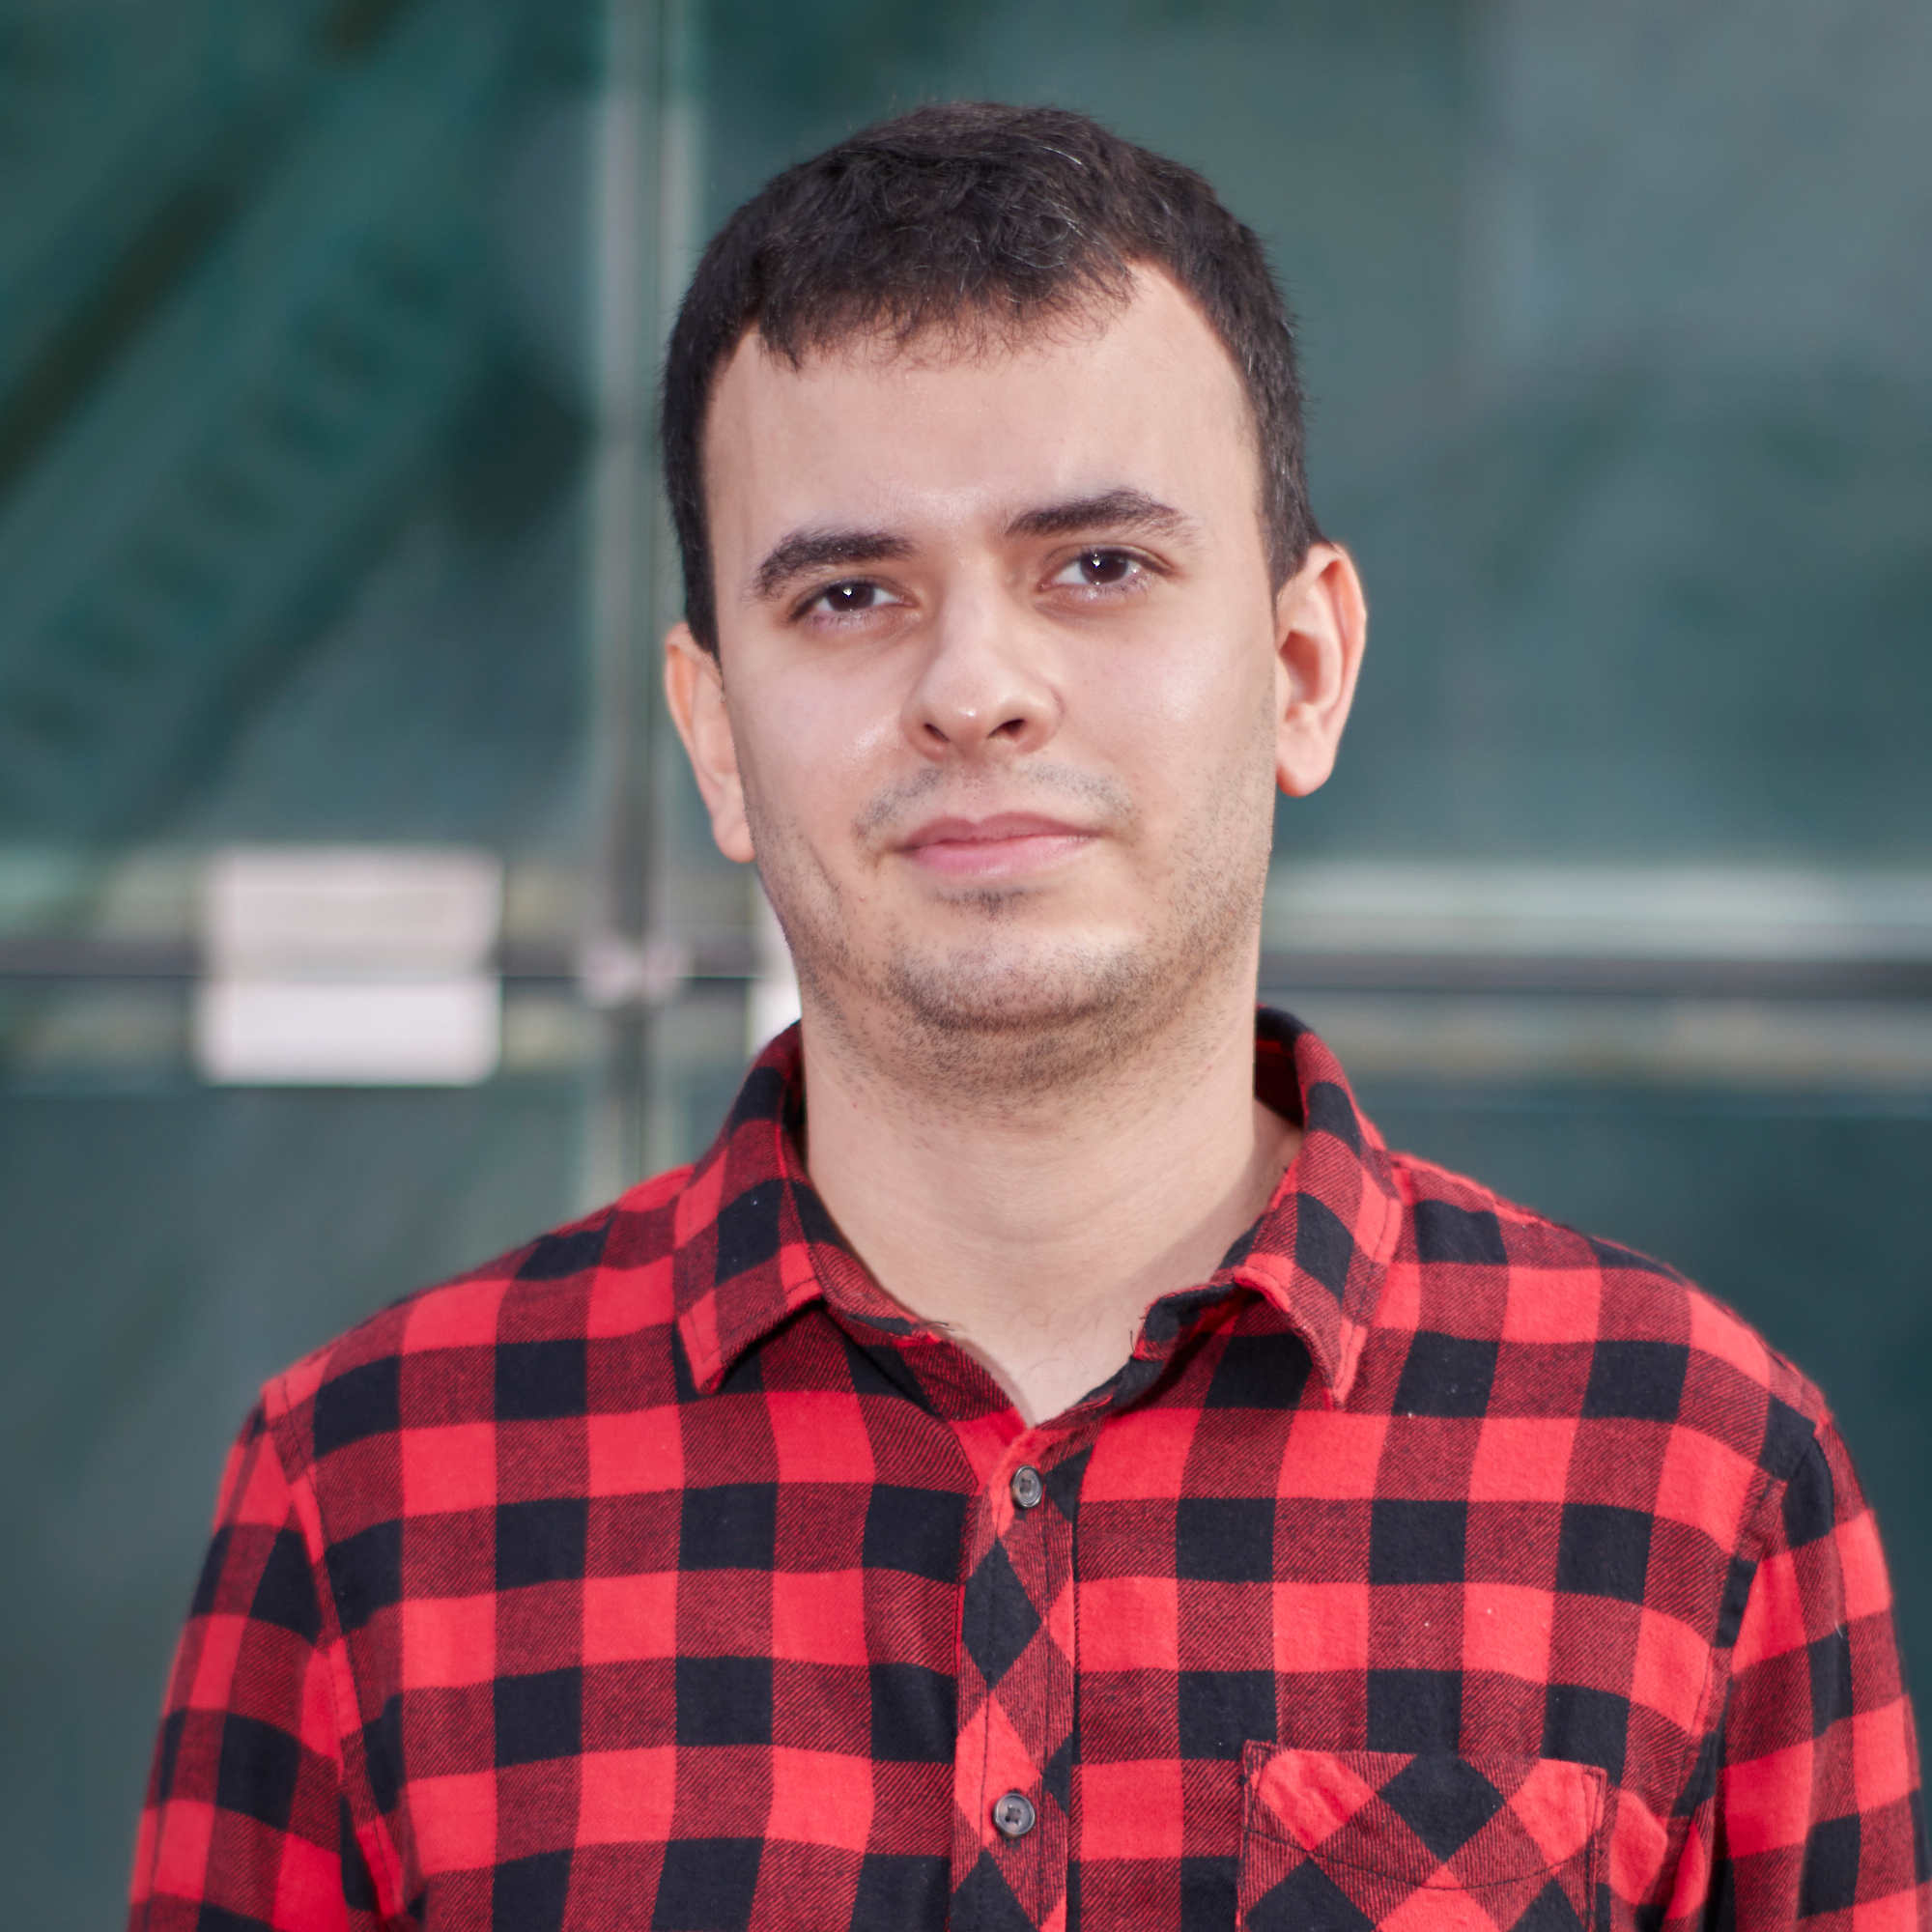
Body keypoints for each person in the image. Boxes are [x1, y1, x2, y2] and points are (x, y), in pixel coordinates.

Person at [128, 103, 1925, 1932]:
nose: (975, 687)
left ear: (1303, 670)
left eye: (1098, 566)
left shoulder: (1695, 1467)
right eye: (849, 593)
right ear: (717, 740)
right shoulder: (370, 1498)